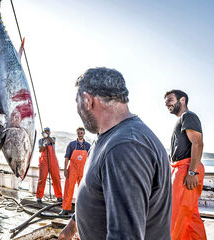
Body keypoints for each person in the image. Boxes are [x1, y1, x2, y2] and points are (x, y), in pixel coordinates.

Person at [59, 67, 171, 240]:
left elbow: (125, 236)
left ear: (88, 101)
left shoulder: (125, 146)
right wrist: (74, 224)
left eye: (77, 102)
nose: (78, 110)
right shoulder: (106, 138)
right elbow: (99, 192)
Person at [164, 90, 207, 240]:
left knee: (175, 216)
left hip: (186, 168)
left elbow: (198, 143)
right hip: (181, 168)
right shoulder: (183, 118)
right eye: (165, 101)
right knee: (189, 216)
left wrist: (192, 172)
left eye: (170, 99)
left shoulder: (188, 116)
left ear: (182, 100)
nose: (167, 103)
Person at [60, 127, 90, 216]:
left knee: (83, 191)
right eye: (78, 133)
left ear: (84, 133)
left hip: (83, 171)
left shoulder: (88, 146)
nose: (79, 134)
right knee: (68, 189)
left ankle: (83, 210)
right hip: (72, 170)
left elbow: (90, 159)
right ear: (76, 133)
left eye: (81, 133)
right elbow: (66, 158)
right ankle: (65, 209)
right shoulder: (71, 145)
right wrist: (65, 169)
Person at [35, 127, 63, 203]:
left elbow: (52, 141)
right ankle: (39, 197)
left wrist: (47, 137)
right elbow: (40, 150)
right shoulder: (40, 140)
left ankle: (59, 196)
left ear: (50, 132)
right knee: (42, 178)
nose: (46, 132)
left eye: (48, 131)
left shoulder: (53, 138)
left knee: (56, 178)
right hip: (44, 161)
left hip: (53, 161)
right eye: (45, 131)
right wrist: (43, 145)